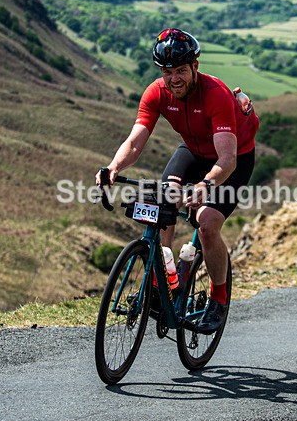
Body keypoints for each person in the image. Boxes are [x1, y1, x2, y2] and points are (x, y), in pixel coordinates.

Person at [96, 27, 259, 334]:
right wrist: (113, 169)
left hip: (232, 158)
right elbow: (134, 142)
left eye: (181, 71)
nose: (175, 79)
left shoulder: (216, 95)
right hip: (192, 151)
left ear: (194, 67)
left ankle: (218, 299)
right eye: (168, 72)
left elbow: (227, 159)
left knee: (207, 223)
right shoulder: (157, 92)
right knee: (163, 203)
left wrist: (205, 186)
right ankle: (162, 286)